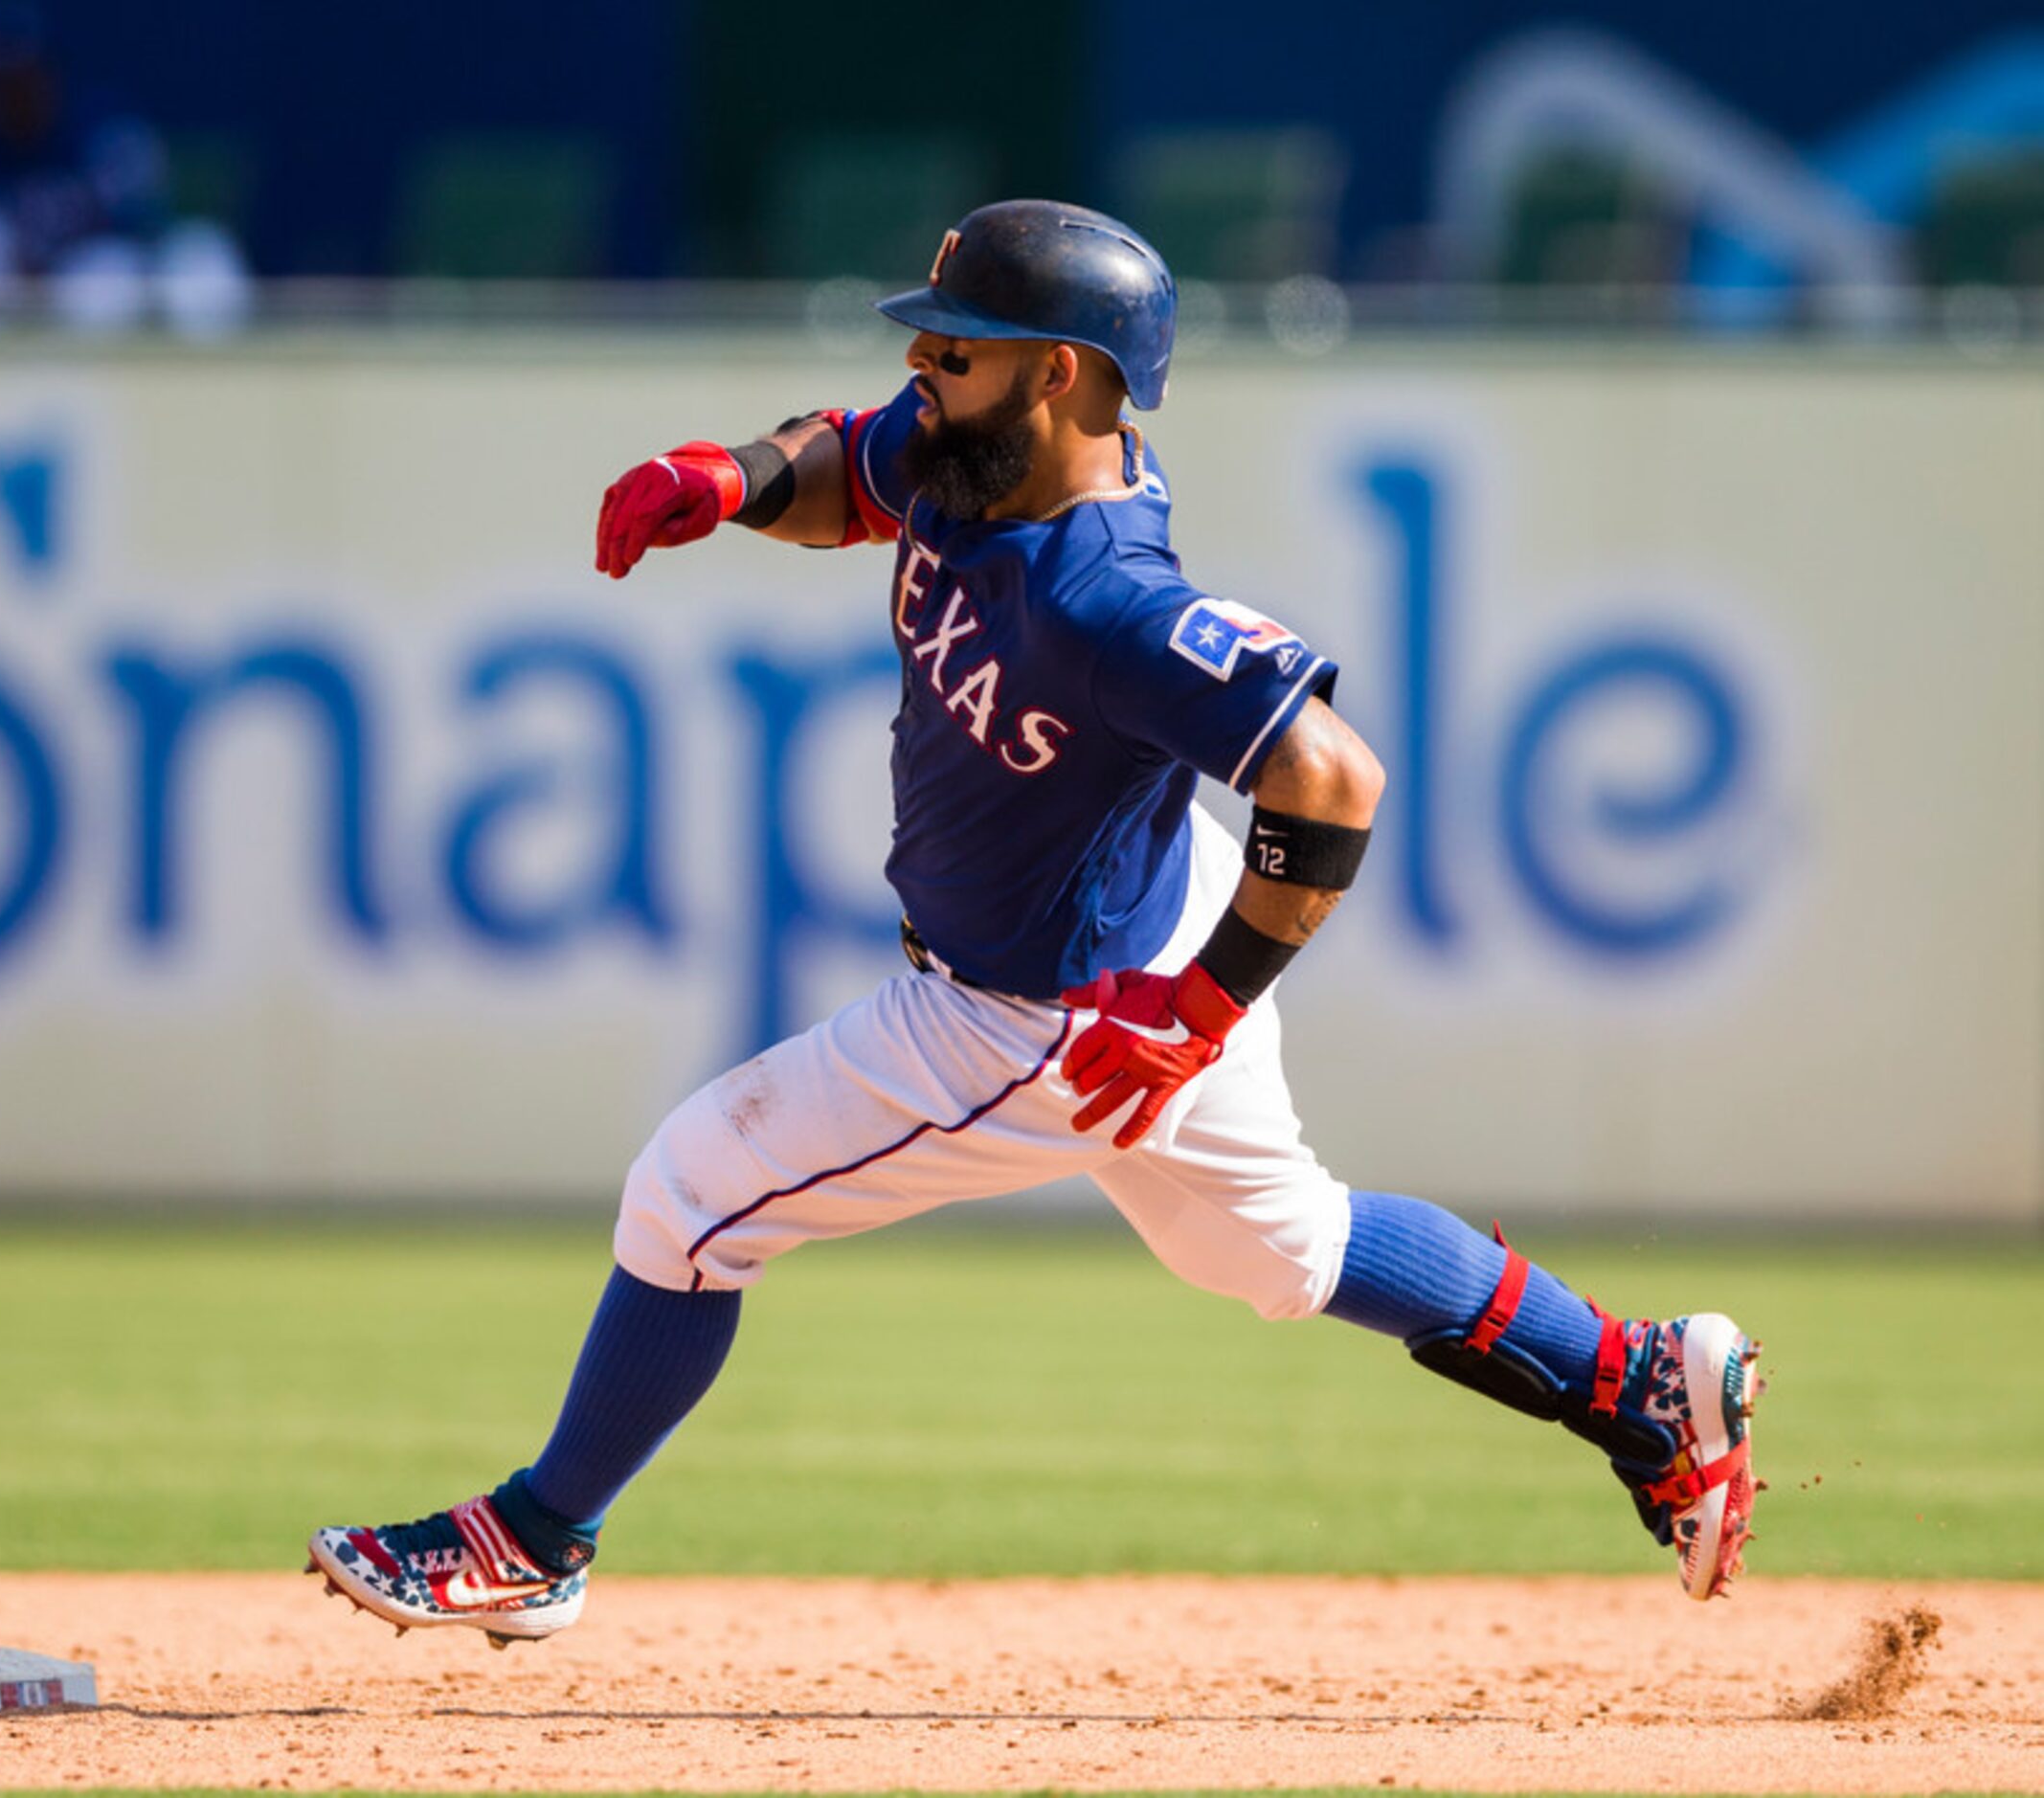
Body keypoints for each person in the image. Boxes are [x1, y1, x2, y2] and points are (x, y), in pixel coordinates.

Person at [307, 199, 1762, 1646]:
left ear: (1058, 370)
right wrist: (728, 477)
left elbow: (1333, 777)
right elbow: (846, 463)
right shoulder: (972, 454)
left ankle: (533, 1534)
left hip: (1041, 1011)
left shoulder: (1109, 594)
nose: (926, 363)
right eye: (932, 339)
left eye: (962, 345)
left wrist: (1196, 1009)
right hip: (1135, 919)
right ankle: (1628, 1376)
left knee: (691, 1194)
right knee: (1275, 1250)